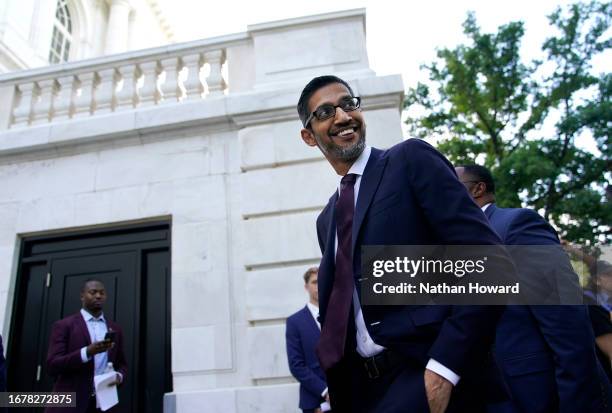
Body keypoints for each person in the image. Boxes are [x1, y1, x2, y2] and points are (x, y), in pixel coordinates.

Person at [297, 75, 511, 413]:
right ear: (309, 136)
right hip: (363, 392)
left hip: (425, 374)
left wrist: (444, 370)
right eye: (325, 112)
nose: (342, 117)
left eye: (348, 104)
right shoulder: (327, 220)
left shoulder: (409, 160)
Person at [456, 164, 612, 412]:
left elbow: (568, 325)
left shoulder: (517, 225)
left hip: (540, 396)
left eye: (453, 185)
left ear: (477, 189)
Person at [45, 279, 127, 413]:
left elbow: (122, 363)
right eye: (93, 292)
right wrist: (86, 353)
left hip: (103, 403)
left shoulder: (115, 329)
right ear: (82, 296)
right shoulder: (64, 326)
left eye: (102, 293)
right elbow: (52, 365)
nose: (98, 296)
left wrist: (119, 376)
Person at [286, 267, 330, 413]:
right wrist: (325, 391)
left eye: (321, 281)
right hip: (315, 401)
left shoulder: (337, 314)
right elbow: (296, 365)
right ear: (306, 287)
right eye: (315, 282)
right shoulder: (295, 322)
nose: (319, 285)